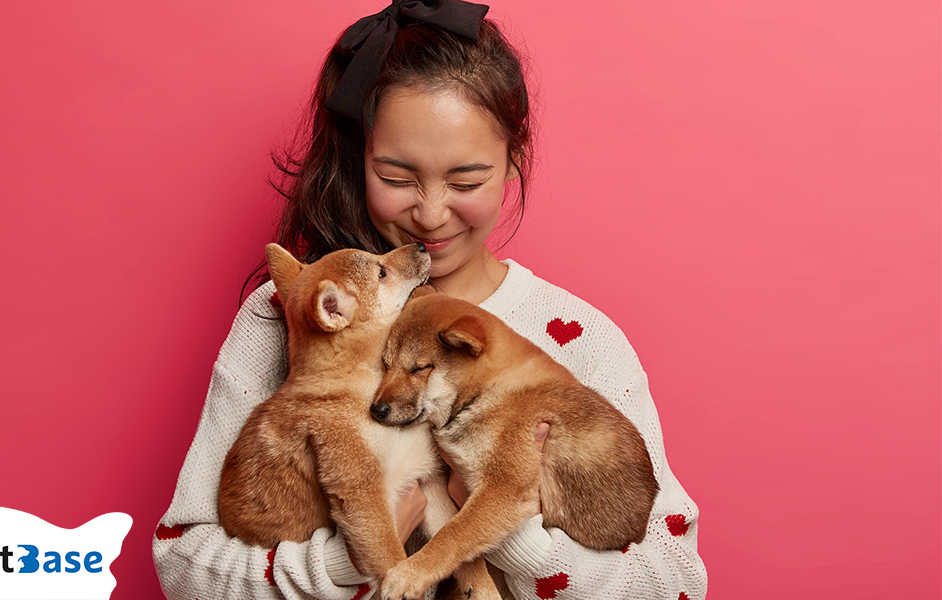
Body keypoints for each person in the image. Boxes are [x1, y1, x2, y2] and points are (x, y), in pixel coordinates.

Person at [152, 1, 708, 598]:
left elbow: (672, 580)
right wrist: (346, 562)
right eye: (397, 178)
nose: (432, 213)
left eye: (466, 182)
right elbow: (183, 559)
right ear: (358, 160)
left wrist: (513, 532)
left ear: (513, 164)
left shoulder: (574, 336)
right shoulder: (292, 314)